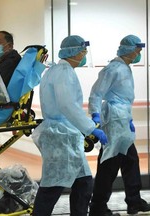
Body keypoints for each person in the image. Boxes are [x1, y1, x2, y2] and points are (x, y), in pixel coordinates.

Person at [31, 35, 108, 216]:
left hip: (65, 135)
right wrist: (91, 128)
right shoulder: (63, 72)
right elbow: (67, 105)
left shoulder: (57, 71)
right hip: (61, 136)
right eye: (83, 52)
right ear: (73, 52)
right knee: (53, 187)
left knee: (84, 182)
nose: (84, 56)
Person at [88, 35, 150, 216]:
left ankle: (134, 200)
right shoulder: (112, 69)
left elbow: (124, 98)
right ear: (128, 49)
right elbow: (96, 93)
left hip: (122, 120)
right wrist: (95, 115)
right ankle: (98, 206)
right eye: (137, 50)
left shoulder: (124, 68)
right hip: (114, 122)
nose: (139, 54)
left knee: (131, 161)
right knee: (109, 164)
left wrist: (128, 118)